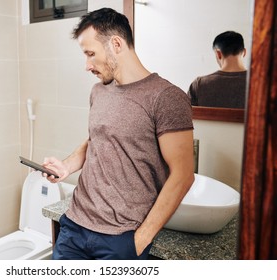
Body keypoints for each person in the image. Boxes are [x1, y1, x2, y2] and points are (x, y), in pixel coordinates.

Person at [42, 8, 195, 260]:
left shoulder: (167, 98)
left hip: (120, 240)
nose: (87, 65)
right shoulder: (99, 91)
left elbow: (183, 175)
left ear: (116, 44)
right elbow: (97, 140)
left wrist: (140, 240)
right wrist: (66, 166)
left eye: (91, 54)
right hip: (74, 226)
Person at [187, 31, 247, 108]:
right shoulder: (260, 84)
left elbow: (186, 116)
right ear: (244, 52)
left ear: (218, 53)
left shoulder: (199, 84)